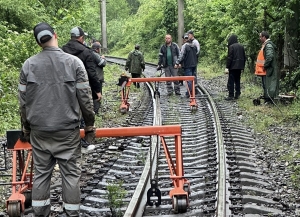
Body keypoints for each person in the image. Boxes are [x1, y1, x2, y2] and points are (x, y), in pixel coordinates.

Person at [18, 22, 95, 217]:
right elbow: (85, 98)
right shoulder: (74, 63)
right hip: (67, 131)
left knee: (42, 175)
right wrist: (90, 125)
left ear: (38, 42)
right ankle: (71, 213)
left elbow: (23, 103)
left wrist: (26, 128)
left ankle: (40, 213)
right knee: (70, 175)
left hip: (39, 132)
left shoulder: (28, 65)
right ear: (55, 35)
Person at [62, 27, 101, 107]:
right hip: (83, 89)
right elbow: (92, 73)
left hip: (66, 89)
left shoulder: (63, 50)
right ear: (81, 37)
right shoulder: (86, 51)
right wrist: (97, 90)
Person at [255, 31, 279, 104]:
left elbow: (269, 57)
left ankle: (269, 100)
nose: (259, 38)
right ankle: (267, 99)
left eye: (260, 37)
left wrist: (265, 66)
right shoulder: (266, 45)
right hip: (267, 69)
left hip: (268, 69)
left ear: (264, 37)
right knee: (266, 84)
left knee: (268, 84)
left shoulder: (268, 46)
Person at [175, 33, 198, 97]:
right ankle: (193, 92)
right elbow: (197, 54)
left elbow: (181, 56)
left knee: (189, 80)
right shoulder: (194, 45)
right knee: (193, 79)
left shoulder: (185, 46)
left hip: (188, 65)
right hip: (194, 64)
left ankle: (189, 93)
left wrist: (177, 63)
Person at [225, 34, 246, 100]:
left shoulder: (231, 47)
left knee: (231, 81)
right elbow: (244, 57)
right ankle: (237, 94)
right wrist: (243, 66)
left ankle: (231, 95)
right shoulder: (241, 46)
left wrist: (227, 67)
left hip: (233, 67)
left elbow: (230, 58)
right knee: (237, 80)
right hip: (239, 67)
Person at [91, 42, 107, 114]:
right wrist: (103, 58)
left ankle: (94, 110)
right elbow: (102, 63)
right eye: (99, 48)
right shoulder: (95, 55)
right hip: (97, 78)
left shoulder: (90, 54)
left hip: (92, 77)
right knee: (98, 95)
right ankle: (96, 111)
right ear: (97, 49)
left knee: (93, 94)